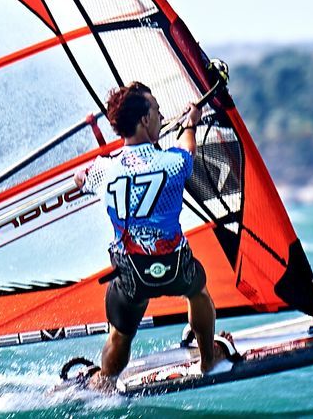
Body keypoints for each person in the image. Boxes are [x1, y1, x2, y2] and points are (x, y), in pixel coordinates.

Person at [73, 81, 237, 392]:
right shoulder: (172, 163)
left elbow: (81, 179)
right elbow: (188, 150)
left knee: (119, 334)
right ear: (145, 120)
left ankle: (105, 383)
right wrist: (191, 123)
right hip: (175, 268)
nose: (161, 117)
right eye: (158, 112)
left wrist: (82, 176)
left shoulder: (102, 170)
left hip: (132, 275)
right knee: (199, 292)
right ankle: (206, 359)